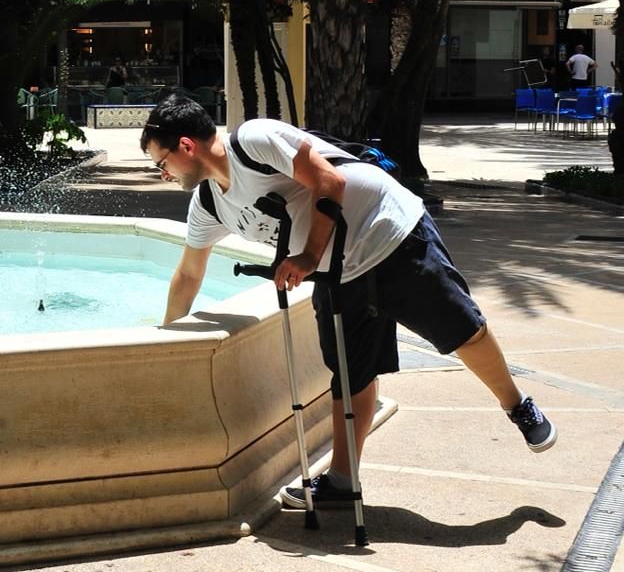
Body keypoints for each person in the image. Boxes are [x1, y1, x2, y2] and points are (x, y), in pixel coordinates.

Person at [140, 95, 557, 507]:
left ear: (186, 147)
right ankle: (342, 481)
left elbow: (328, 181)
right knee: (349, 371)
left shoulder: (255, 138)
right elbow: (189, 275)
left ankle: (518, 406)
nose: (163, 174)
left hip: (389, 231)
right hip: (337, 269)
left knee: (462, 330)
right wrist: (166, 339)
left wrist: (305, 257)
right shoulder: (209, 203)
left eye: (162, 163)